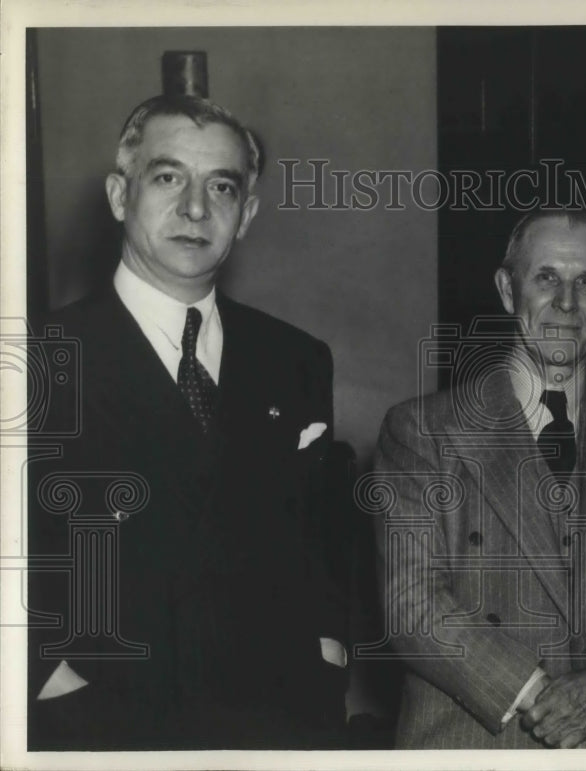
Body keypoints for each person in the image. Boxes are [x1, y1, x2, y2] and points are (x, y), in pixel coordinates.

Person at [27, 95, 349, 750]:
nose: (196, 208)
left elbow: (322, 537)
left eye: (221, 186)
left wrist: (328, 653)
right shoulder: (36, 357)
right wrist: (51, 684)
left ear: (246, 214)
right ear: (120, 195)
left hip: (278, 725)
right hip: (105, 730)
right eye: (168, 177)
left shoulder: (295, 359)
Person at [369, 210, 586, 748]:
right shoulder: (422, 431)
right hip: (474, 742)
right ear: (508, 291)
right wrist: (542, 695)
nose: (567, 302)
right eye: (546, 277)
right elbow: (411, 605)